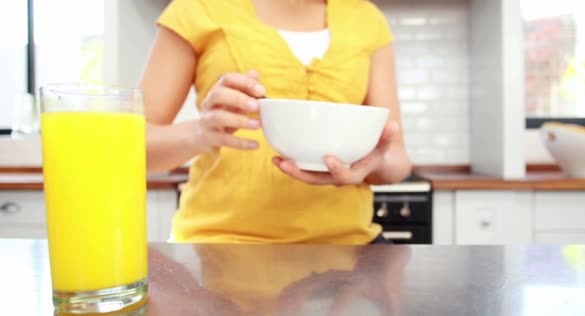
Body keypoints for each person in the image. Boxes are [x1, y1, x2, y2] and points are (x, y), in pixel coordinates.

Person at [139, 0, 412, 244]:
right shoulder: (196, 8)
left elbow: (397, 158)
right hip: (219, 243)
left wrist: (369, 164)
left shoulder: (367, 20)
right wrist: (199, 132)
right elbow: (131, 150)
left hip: (348, 245)